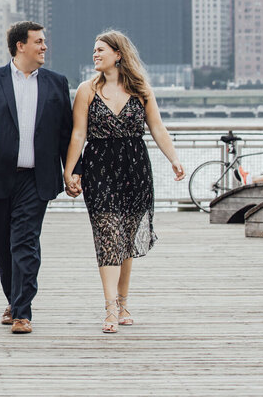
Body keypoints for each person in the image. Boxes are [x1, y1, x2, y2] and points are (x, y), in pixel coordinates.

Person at [62, 30, 184, 333]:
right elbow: (78, 134)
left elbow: (157, 128)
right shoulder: (86, 90)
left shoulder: (141, 90)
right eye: (93, 50)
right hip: (99, 168)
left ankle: (123, 300)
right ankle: (110, 308)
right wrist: (69, 169)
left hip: (135, 168)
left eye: (100, 50)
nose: (95, 54)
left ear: (118, 54)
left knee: (126, 239)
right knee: (108, 236)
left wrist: (174, 158)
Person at [0, 21, 74, 334]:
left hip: (36, 178)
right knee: (2, 242)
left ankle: (23, 312)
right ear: (20, 45)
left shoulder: (56, 83)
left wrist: (72, 171)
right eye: (39, 42)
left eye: (44, 42)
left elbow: (66, 132)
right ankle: (13, 299)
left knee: (24, 242)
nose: (44, 47)